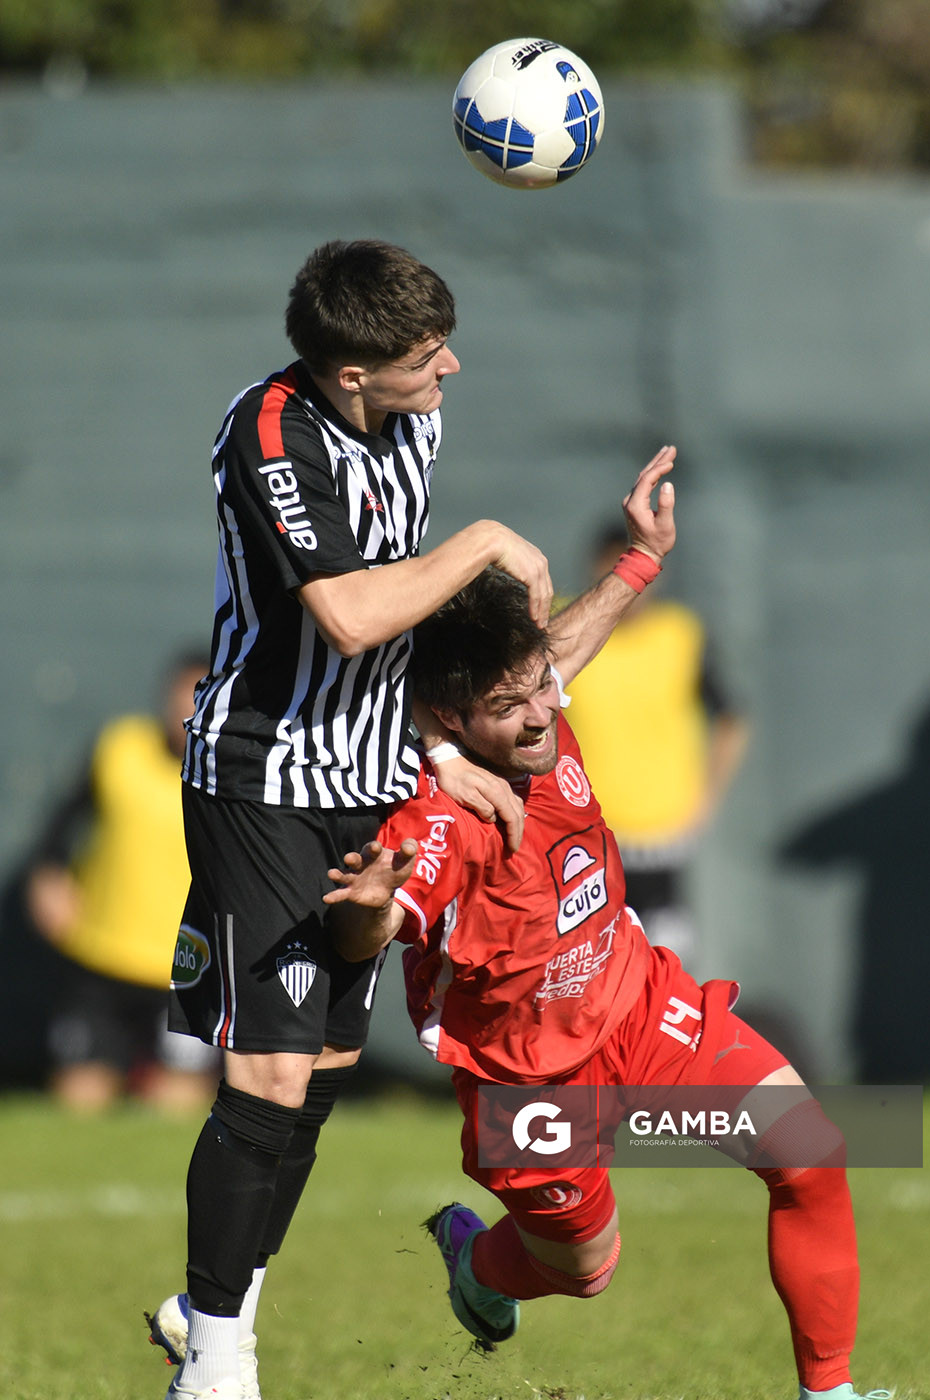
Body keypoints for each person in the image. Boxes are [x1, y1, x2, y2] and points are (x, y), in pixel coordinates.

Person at [323, 466, 888, 1400]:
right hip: (528, 1076)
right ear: (446, 723)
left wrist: (640, 559)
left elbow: (561, 649)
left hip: (640, 1002)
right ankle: (475, 1265)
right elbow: (368, 938)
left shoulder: (529, 701)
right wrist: (371, 906)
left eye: (541, 688)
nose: (545, 714)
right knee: (584, 1270)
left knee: (813, 1153)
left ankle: (827, 1393)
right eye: (509, 710)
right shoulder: (438, 815)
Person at [148, 238, 553, 1400]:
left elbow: (404, 616)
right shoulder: (270, 431)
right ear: (351, 374)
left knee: (321, 1064)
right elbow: (350, 614)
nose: (452, 370)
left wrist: (430, 744)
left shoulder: (411, 417)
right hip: (261, 777)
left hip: (369, 778)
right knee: (268, 1073)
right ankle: (217, 1361)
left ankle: (211, 1305)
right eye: (429, 357)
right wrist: (480, 540)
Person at [24, 652, 219, 1114]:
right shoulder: (120, 748)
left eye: (198, 698)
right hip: (102, 956)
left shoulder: (231, 773)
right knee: (80, 1098)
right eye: (179, 696)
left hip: (187, 965)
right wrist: (48, 876)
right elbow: (61, 827)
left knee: (178, 1104)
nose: (184, 710)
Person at [565, 521, 750, 969]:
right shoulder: (565, 625)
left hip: (659, 838)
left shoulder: (681, 635)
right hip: (579, 835)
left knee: (662, 962)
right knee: (586, 964)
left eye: (637, 571)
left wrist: (704, 801)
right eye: (613, 568)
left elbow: (731, 719)